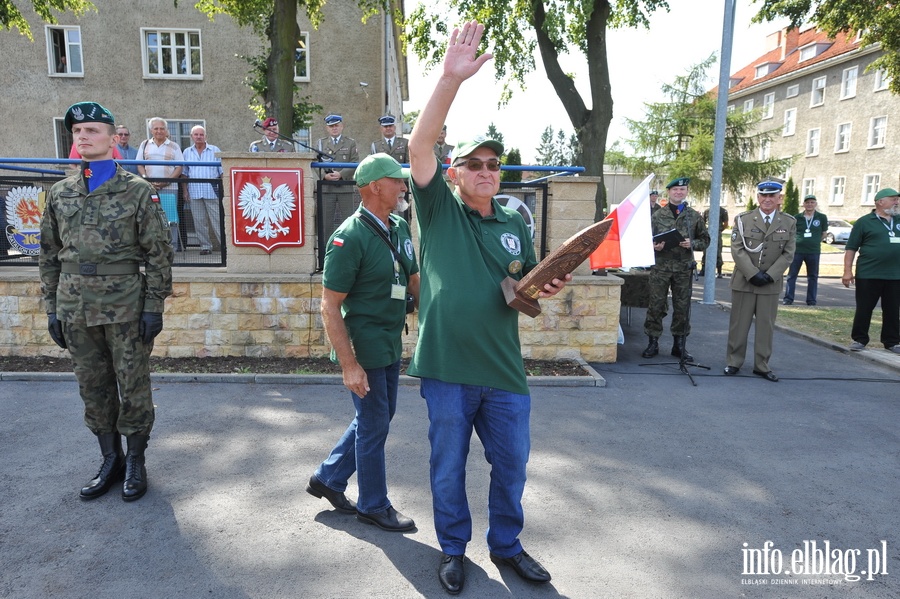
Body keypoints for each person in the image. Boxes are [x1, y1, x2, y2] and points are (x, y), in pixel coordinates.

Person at [407, 20, 569, 595]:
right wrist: (450, 80)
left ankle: (507, 545)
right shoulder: (436, 209)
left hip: (503, 370)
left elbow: (520, 287)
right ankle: (453, 549)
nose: (483, 171)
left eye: (492, 165)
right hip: (448, 369)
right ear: (455, 174)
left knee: (513, 466)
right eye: (473, 164)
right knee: (448, 468)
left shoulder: (514, 225)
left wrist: (540, 292)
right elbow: (418, 145)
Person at [39, 101, 174, 502]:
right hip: (74, 305)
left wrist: (154, 306)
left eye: (92, 131)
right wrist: (51, 308)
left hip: (125, 305)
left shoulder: (138, 191)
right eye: (77, 132)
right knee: (92, 386)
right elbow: (48, 255)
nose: (83, 137)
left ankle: (135, 460)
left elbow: (159, 254)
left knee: (132, 384)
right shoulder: (60, 193)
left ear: (113, 139)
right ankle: (109, 458)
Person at [307, 153, 420, 532]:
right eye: (397, 181)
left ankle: (328, 477)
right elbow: (330, 305)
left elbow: (414, 280)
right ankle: (374, 504)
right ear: (375, 187)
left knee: (378, 417)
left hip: (390, 341)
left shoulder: (400, 226)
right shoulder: (349, 237)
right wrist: (348, 365)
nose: (404, 187)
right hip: (364, 346)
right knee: (374, 423)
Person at [725, 180, 796, 382]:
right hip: (745, 281)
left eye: (772, 196)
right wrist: (753, 273)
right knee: (738, 325)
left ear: (778, 198)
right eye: (763, 195)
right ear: (758, 197)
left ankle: (761, 365)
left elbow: (789, 253)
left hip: (770, 283)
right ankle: (733, 361)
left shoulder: (788, 222)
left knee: (766, 326)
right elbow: (737, 249)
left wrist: (770, 275)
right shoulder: (743, 219)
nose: (767, 199)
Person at [641, 177, 710, 361]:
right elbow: (645, 239)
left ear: (686, 192)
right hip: (661, 268)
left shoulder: (693, 216)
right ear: (669, 192)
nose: (679, 192)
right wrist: (654, 246)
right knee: (656, 305)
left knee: (682, 307)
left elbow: (705, 240)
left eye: (682, 189)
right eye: (675, 190)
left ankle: (679, 345)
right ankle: (652, 342)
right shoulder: (657, 215)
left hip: (683, 269)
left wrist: (692, 243)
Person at [842, 188, 900, 353]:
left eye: (897, 199)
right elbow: (851, 248)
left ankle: (892, 341)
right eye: (893, 199)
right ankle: (859, 339)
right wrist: (847, 271)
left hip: (895, 274)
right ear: (880, 202)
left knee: (893, 309)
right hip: (869, 273)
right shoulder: (864, 222)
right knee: (864, 308)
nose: (897, 202)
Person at [136, 118, 184, 250]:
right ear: (151, 130)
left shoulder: (174, 146)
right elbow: (139, 164)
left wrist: (167, 181)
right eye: (156, 128)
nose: (159, 131)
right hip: (149, 188)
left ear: (166, 130)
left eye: (162, 128)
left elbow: (179, 167)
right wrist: (147, 179)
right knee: (149, 217)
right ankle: (152, 246)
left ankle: (171, 247)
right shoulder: (144, 144)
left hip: (170, 188)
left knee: (170, 218)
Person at [182, 125, 223, 256]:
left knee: (218, 220)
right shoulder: (187, 152)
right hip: (194, 191)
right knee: (199, 221)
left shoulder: (215, 150)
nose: (199, 137)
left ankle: (225, 247)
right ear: (191, 136)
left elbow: (222, 172)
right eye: (196, 134)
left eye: (201, 134)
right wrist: (185, 191)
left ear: (205, 136)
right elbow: (184, 173)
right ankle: (205, 246)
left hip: (212, 191)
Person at [783, 195, 828, 305]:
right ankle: (788, 299)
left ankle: (811, 300)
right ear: (803, 204)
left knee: (813, 276)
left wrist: (815, 241)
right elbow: (791, 233)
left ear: (815, 204)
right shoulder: (796, 217)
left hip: (813, 251)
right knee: (792, 275)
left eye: (812, 202)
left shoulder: (821, 217)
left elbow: (824, 233)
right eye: (807, 202)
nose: (809, 204)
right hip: (797, 251)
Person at [316, 114, 359, 181]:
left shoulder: (350, 143)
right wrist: (324, 176)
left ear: (342, 127)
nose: (334, 128)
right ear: (327, 128)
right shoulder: (321, 143)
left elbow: (355, 162)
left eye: (336, 125)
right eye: (331, 126)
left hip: (345, 185)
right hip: (326, 186)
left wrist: (341, 174)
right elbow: (316, 162)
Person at [699, 205, 729, 278]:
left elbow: (725, 224)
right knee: (706, 251)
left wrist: (719, 230)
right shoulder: (707, 211)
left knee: (717, 252)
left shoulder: (723, 211)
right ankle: (703, 270)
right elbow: (703, 222)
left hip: (717, 234)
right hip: (707, 233)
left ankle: (719, 271)